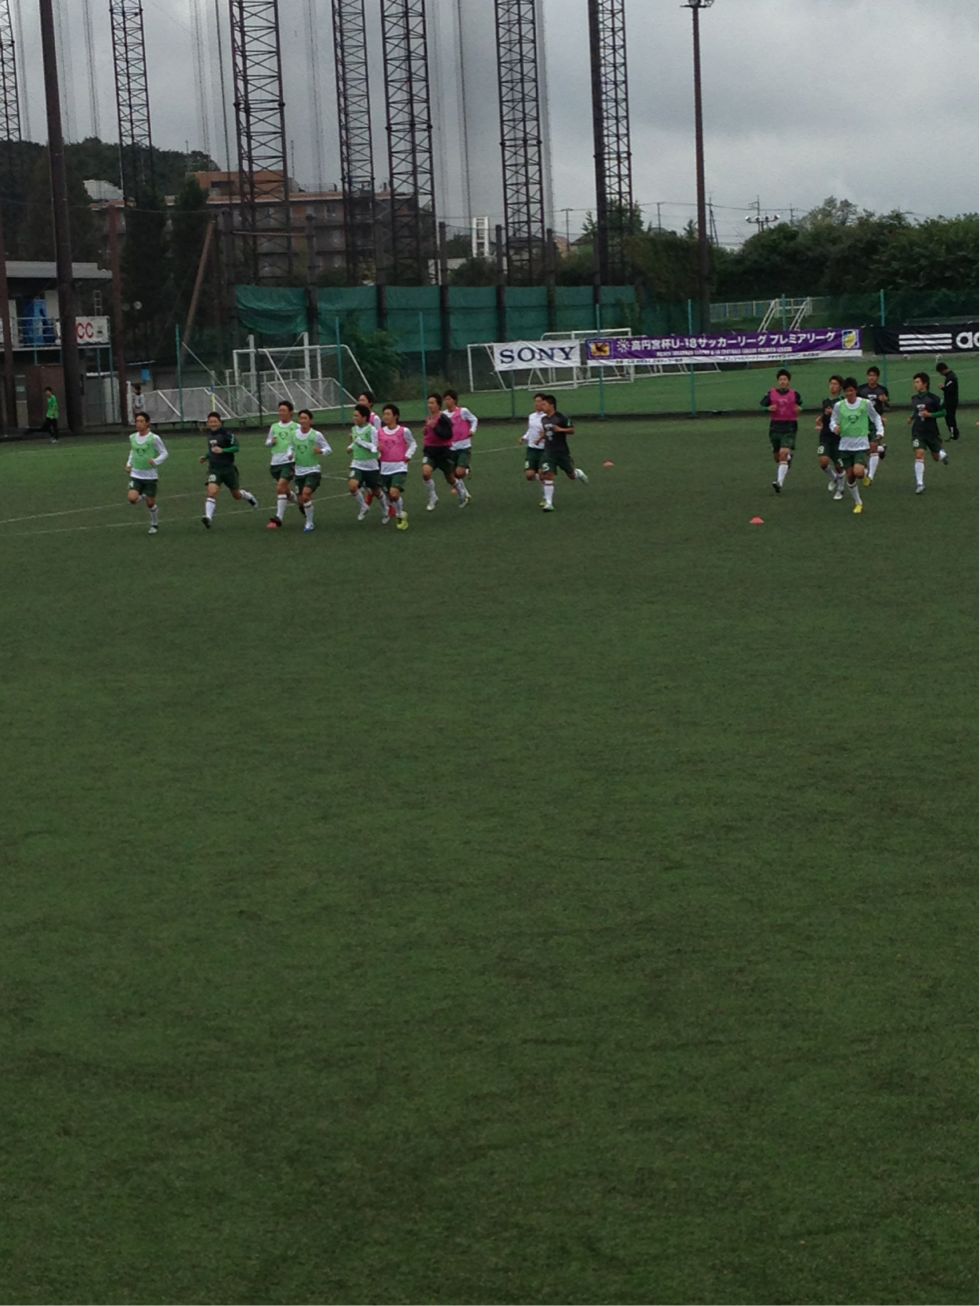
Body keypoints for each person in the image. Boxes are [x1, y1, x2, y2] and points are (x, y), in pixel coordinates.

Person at [829, 377, 883, 515]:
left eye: (851, 391)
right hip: (845, 446)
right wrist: (834, 427)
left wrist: (880, 432)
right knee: (850, 476)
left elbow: (876, 417)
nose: (849, 394)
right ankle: (858, 503)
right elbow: (832, 421)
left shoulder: (865, 403)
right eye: (847, 391)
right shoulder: (839, 405)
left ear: (856, 390)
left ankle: (865, 475)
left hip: (860, 445)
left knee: (858, 472)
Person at [200, 411, 258, 529]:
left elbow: (236, 448)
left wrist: (224, 450)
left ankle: (247, 495)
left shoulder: (227, 435)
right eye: (210, 422)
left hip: (228, 469)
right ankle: (208, 517)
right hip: (214, 469)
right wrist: (206, 457)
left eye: (215, 421)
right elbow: (212, 450)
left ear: (220, 422)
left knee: (236, 495)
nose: (213, 424)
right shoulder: (210, 436)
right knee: (211, 492)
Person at [539, 393, 588, 512]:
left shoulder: (561, 417)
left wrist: (561, 429)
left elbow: (572, 430)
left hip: (562, 452)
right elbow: (547, 431)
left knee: (571, 476)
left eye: (544, 404)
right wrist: (541, 437)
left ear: (551, 405)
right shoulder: (543, 419)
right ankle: (549, 503)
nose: (541, 406)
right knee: (548, 475)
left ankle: (578, 472)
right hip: (548, 452)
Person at [125, 410, 168, 534]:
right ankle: (143, 495)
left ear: (147, 423)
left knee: (150, 504)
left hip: (150, 476)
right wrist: (128, 464)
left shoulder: (154, 438)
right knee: (132, 498)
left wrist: (156, 461)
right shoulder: (132, 437)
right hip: (136, 474)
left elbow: (164, 453)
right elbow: (132, 451)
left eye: (141, 421)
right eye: (137, 421)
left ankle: (154, 524)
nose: (138, 424)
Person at [292, 408, 333, 533]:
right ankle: (307, 513)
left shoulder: (316, 435)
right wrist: (290, 454)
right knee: (301, 500)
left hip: (313, 470)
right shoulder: (294, 434)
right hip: (299, 471)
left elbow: (329, 449)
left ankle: (309, 523)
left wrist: (321, 451)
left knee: (306, 494)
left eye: (305, 418)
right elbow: (291, 447)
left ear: (311, 421)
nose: (303, 421)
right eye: (301, 418)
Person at [761, 368, 800, 493]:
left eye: (785, 379)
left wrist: (798, 409)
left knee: (782, 453)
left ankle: (779, 483)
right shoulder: (771, 393)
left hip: (789, 427)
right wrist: (768, 408)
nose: (783, 381)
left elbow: (799, 405)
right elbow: (762, 405)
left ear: (789, 381)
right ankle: (788, 458)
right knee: (778, 457)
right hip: (775, 427)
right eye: (780, 379)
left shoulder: (795, 394)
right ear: (778, 381)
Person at [378, 403, 417, 531]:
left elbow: (413, 444)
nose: (385, 416)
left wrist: (408, 455)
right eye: (384, 414)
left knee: (394, 493)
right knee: (389, 496)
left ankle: (400, 514)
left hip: (400, 467)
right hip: (384, 468)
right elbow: (375, 447)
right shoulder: (379, 432)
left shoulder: (404, 431)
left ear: (396, 416)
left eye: (388, 414)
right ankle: (398, 511)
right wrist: (377, 450)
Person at [909, 371, 949, 494]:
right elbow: (916, 411)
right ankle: (920, 484)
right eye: (914, 382)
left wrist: (930, 415)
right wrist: (911, 417)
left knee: (935, 457)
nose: (915, 384)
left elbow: (944, 412)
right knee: (919, 454)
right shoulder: (914, 398)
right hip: (918, 432)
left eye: (917, 382)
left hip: (931, 432)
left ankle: (941, 454)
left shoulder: (934, 398)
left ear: (925, 384)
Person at [265, 399, 299, 530]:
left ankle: (278, 518)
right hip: (275, 463)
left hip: (289, 462)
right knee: (285, 490)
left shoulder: (296, 427)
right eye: (280, 410)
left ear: (291, 412)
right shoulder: (274, 426)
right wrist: (271, 442)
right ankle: (300, 503)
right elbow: (267, 442)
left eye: (284, 410)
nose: (281, 413)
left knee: (280, 487)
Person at [421, 391, 457, 511]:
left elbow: (448, 435)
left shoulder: (443, 418)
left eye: (432, 403)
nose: (429, 405)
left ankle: (462, 492)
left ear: (438, 405)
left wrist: (435, 427)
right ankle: (433, 497)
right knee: (426, 473)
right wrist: (426, 431)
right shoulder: (429, 418)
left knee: (450, 478)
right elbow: (429, 432)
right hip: (430, 451)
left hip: (443, 452)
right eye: (428, 403)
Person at [347, 401, 382, 520]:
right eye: (354, 415)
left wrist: (359, 442)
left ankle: (385, 509)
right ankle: (364, 506)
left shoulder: (371, 430)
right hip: (357, 463)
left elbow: (374, 447)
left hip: (371, 465)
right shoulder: (354, 429)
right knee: (352, 486)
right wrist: (351, 447)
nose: (354, 418)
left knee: (376, 491)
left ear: (364, 417)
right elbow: (355, 441)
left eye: (356, 416)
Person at [857, 365, 890, 484]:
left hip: (876, 421)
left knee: (873, 447)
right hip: (863, 422)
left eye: (873, 376)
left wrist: (885, 400)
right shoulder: (861, 389)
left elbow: (888, 405)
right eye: (869, 375)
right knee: (865, 448)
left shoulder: (882, 389)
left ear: (877, 377)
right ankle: (882, 449)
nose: (871, 378)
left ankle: (870, 477)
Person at [443, 388, 476, 506]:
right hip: (450, 448)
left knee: (459, 473)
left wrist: (472, 430)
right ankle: (465, 494)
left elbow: (474, 419)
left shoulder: (463, 411)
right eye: (445, 399)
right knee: (453, 475)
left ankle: (465, 469)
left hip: (464, 446)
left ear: (454, 400)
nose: (446, 401)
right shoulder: (443, 415)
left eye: (448, 399)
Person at [816, 375, 846, 499]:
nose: (832, 386)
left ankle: (841, 489)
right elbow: (824, 416)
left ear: (840, 387)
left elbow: (845, 417)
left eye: (835, 384)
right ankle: (834, 478)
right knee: (823, 462)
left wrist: (833, 413)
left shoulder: (843, 401)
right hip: (825, 436)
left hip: (838, 438)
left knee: (839, 466)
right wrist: (820, 420)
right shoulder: (826, 401)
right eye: (831, 384)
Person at [521, 392, 548, 503]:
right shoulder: (531, 416)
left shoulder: (547, 417)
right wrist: (524, 437)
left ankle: (546, 497)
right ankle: (544, 479)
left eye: (539, 401)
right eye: (535, 402)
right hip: (532, 449)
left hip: (544, 449)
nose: (537, 404)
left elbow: (550, 431)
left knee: (542, 473)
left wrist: (542, 437)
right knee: (529, 475)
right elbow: (531, 429)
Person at [936, 362, 960, 440]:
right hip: (950, 401)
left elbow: (950, 390)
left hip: (951, 402)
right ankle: (954, 433)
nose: (940, 374)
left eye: (940, 372)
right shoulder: (950, 376)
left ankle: (954, 434)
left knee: (950, 418)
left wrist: (943, 387)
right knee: (949, 417)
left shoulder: (951, 378)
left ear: (943, 370)